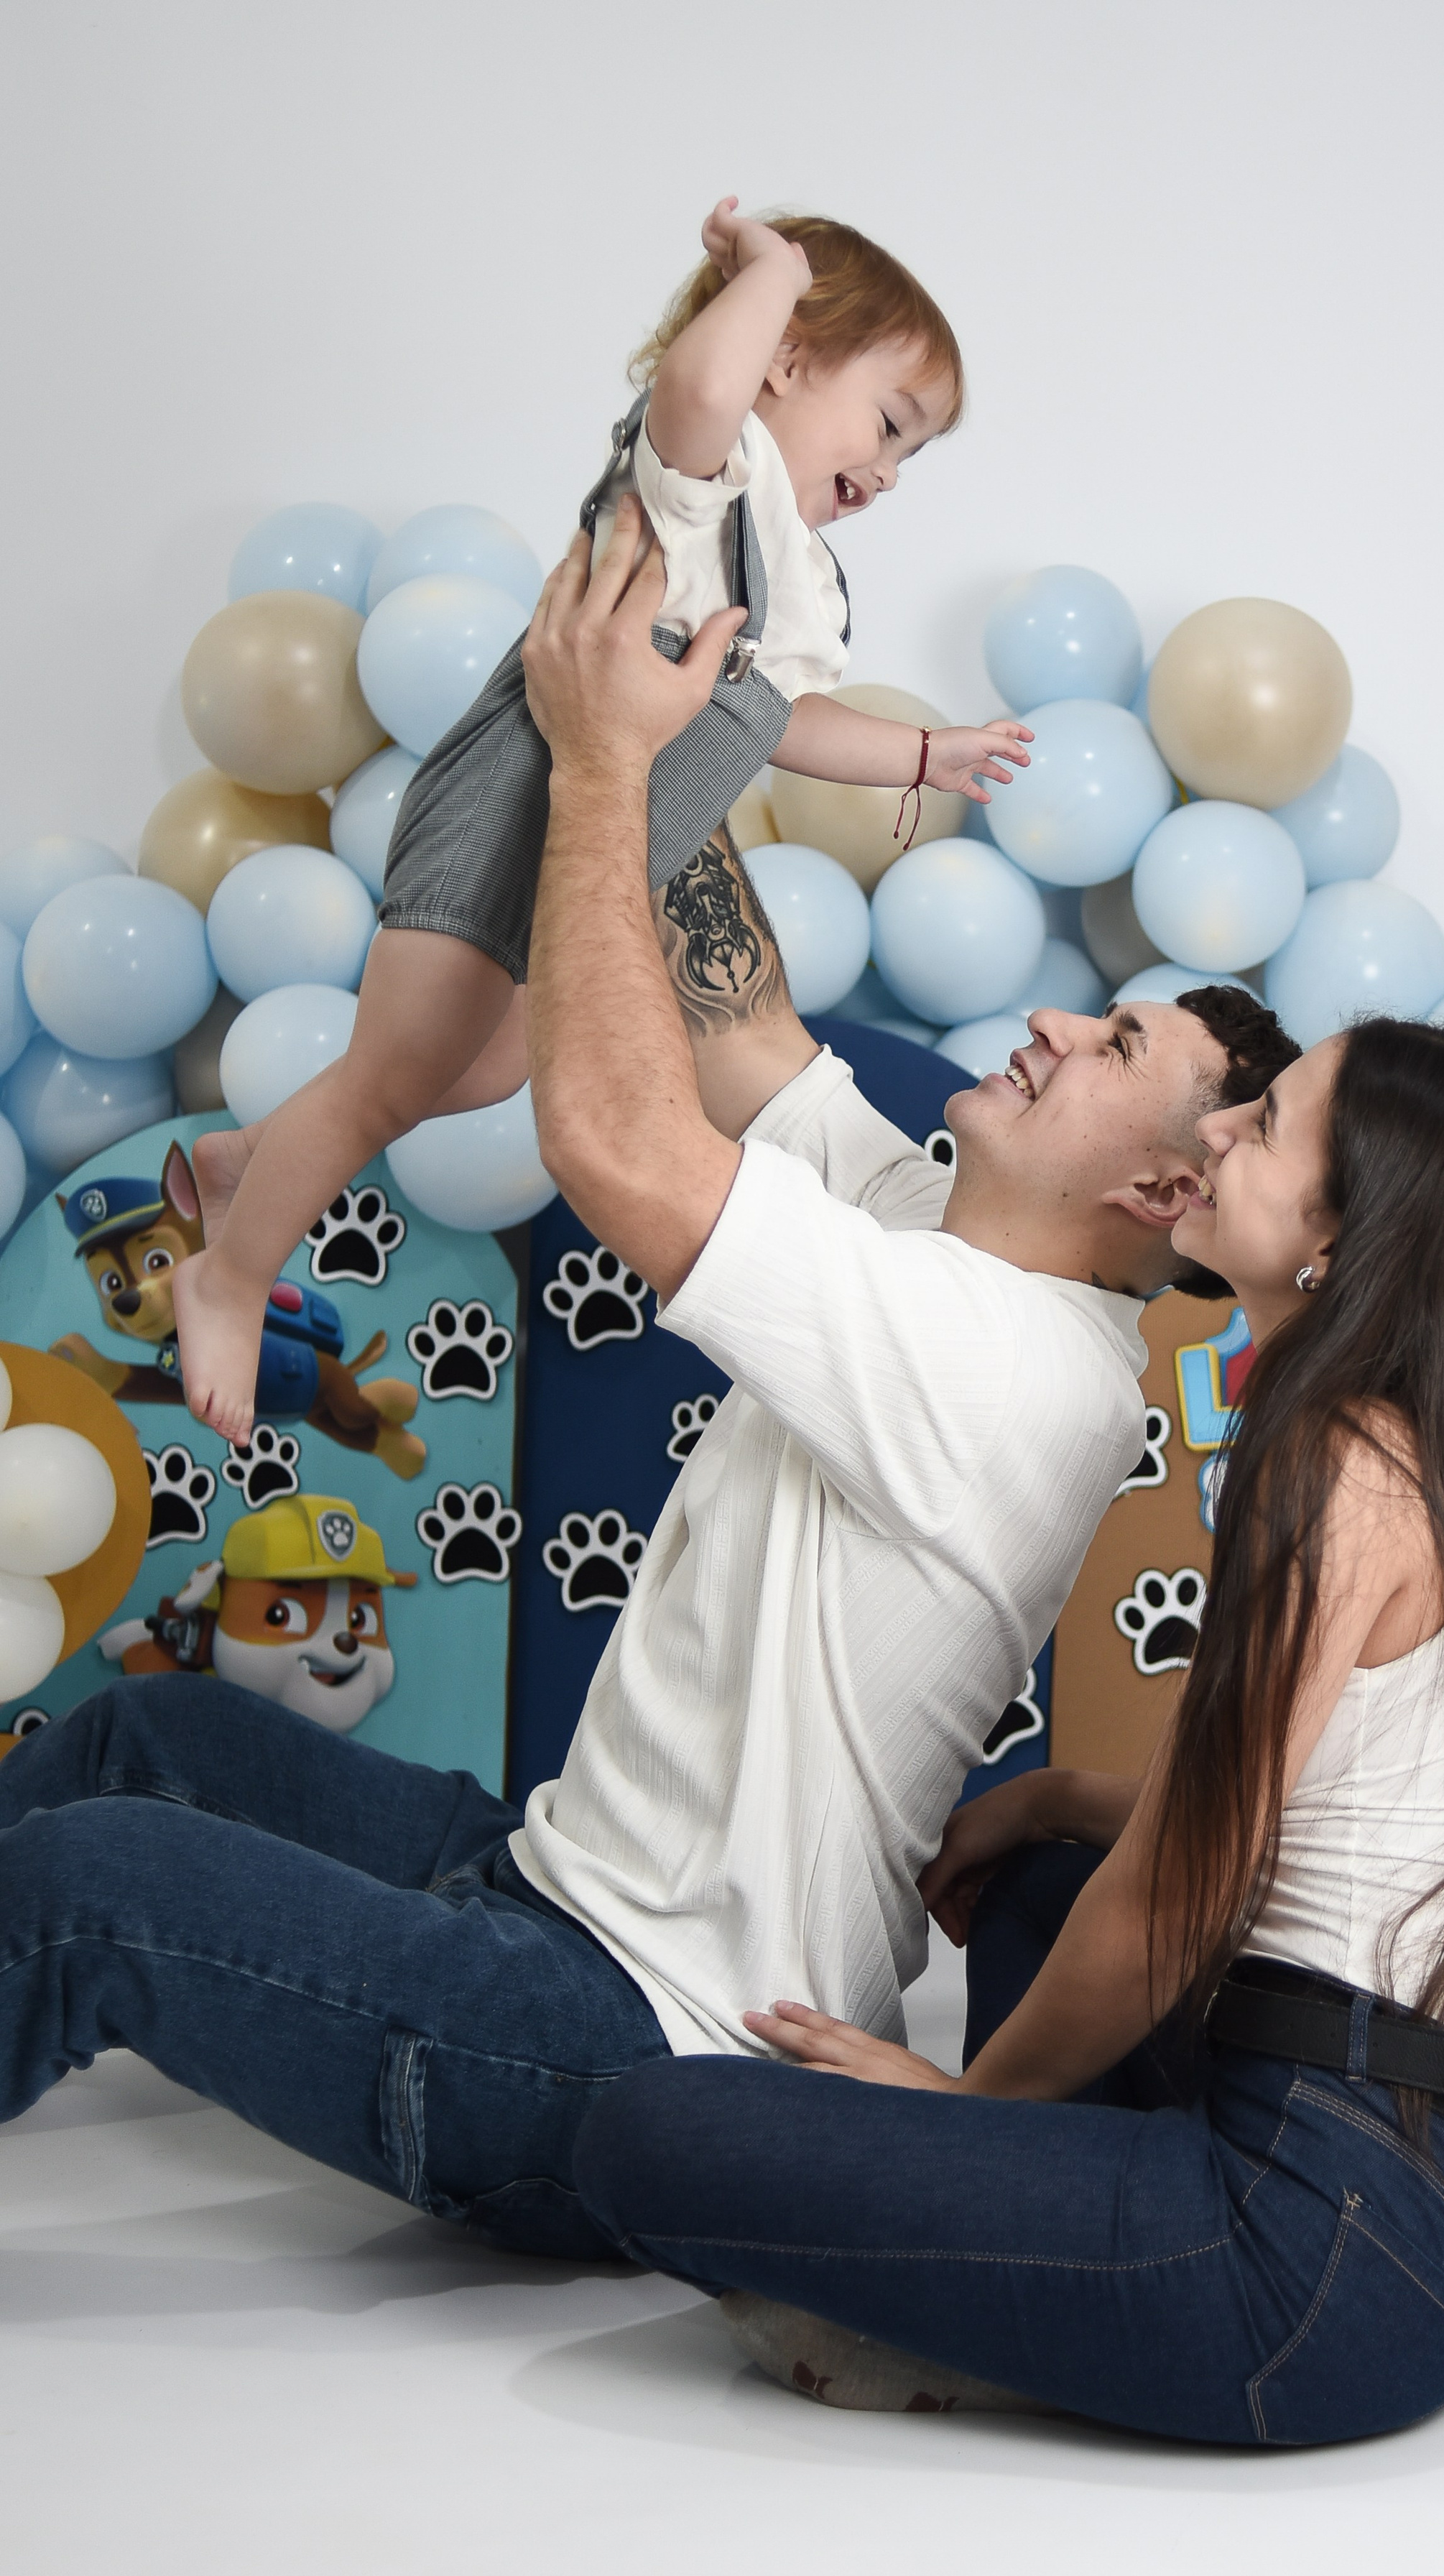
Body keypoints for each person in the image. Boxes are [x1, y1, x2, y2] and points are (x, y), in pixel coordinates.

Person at [0, 507, 1295, 2253]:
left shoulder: (1012, 1368)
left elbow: (615, 1135)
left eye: (1115, 1046)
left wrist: (605, 762)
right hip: (548, 1881)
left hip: (626, 2040)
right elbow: (740, 1017)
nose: (1061, 1024)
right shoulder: (933, 1220)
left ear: (1157, 1194)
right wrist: (666, 639)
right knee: (144, 1734)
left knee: (89, 1892)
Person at [573, 1012, 1444, 2445]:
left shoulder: (1330, 1462)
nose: (1217, 1127)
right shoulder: (1442, 1448)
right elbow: (1307, 1803)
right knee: (1037, 1882)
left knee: (644, 2133)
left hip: (1327, 2255)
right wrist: (1054, 1797)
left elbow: (1177, 1895)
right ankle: (1086, 2237)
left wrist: (957, 2113)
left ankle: (1056, 2287)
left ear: (1343, 1238)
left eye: (1263, 1131)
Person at [172, 198, 1033, 1445]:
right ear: (783, 358)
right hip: (516, 809)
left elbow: (780, 719)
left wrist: (922, 751)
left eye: (916, 454)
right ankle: (229, 1276)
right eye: (889, 423)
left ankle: (248, 1164)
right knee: (386, 1083)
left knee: (485, 1066)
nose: (890, 471)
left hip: (596, 864)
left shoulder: (800, 575)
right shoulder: (707, 476)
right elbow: (696, 382)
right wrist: (776, 272)